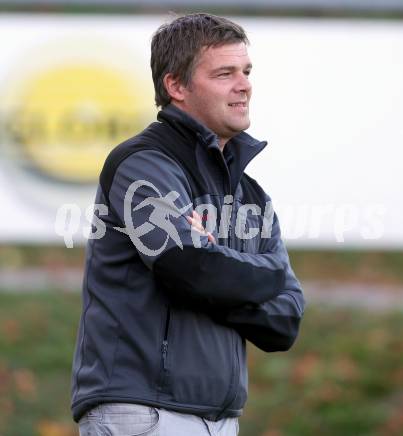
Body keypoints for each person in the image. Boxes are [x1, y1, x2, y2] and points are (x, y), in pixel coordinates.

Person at [71, 13, 305, 436]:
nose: (244, 85)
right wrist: (221, 272)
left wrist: (215, 267)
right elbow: (187, 266)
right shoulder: (142, 163)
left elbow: (285, 320)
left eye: (246, 71)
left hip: (221, 419)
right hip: (142, 412)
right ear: (176, 86)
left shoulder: (250, 193)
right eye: (224, 73)